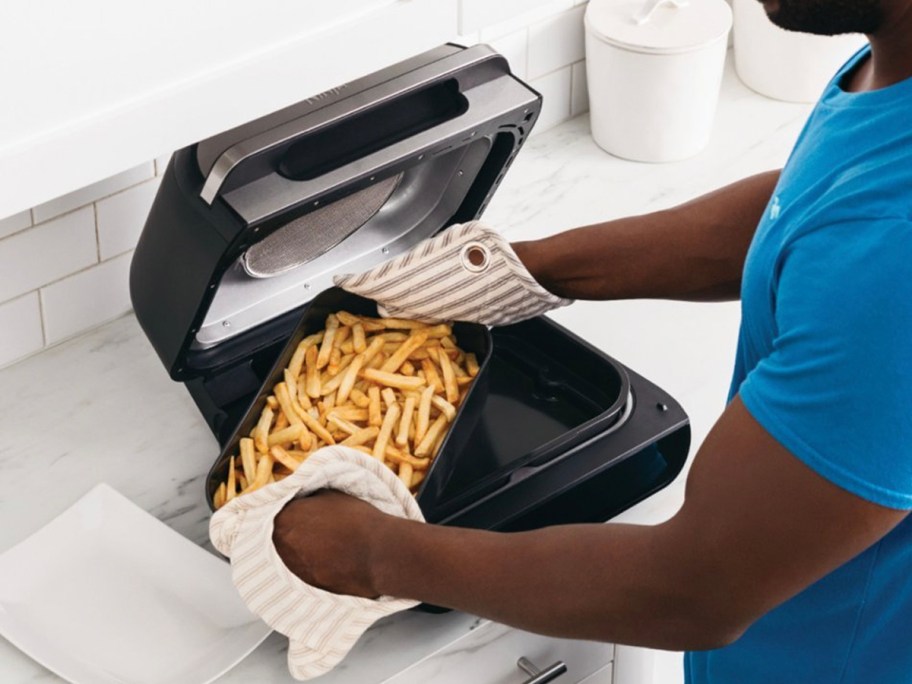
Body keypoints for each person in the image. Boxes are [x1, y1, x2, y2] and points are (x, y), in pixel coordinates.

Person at [267, 1, 912, 681]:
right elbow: (817, 206)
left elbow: (692, 590)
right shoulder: (890, 59)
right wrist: (523, 270)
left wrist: (373, 556)